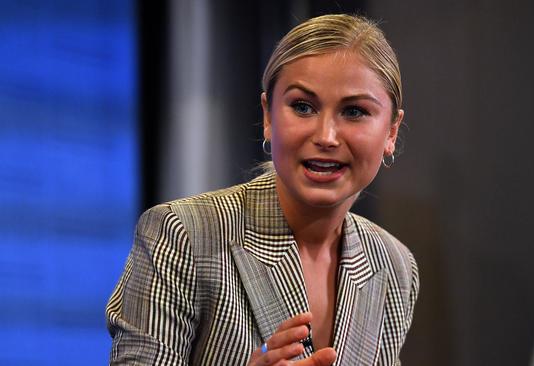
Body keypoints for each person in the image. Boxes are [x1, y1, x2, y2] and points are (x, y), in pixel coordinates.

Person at [106, 13, 419, 366]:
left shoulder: (394, 266)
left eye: (355, 111)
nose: (326, 137)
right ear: (268, 116)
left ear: (391, 132)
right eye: (303, 107)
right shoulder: (182, 234)